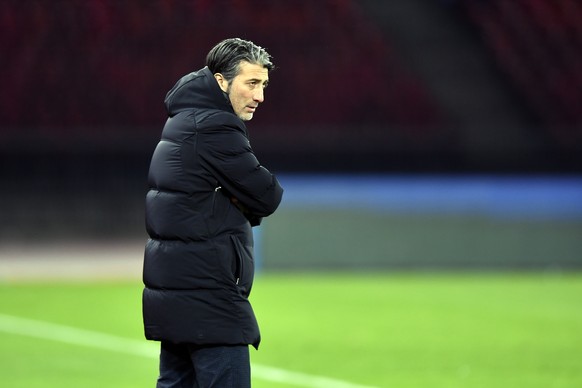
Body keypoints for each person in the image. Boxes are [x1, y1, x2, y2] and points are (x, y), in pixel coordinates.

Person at [142, 38, 283, 387]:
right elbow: (267, 195)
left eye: (263, 85)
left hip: (175, 292)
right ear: (221, 81)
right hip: (211, 297)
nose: (259, 96)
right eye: (251, 83)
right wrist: (239, 200)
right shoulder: (217, 127)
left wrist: (234, 198)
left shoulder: (183, 119)